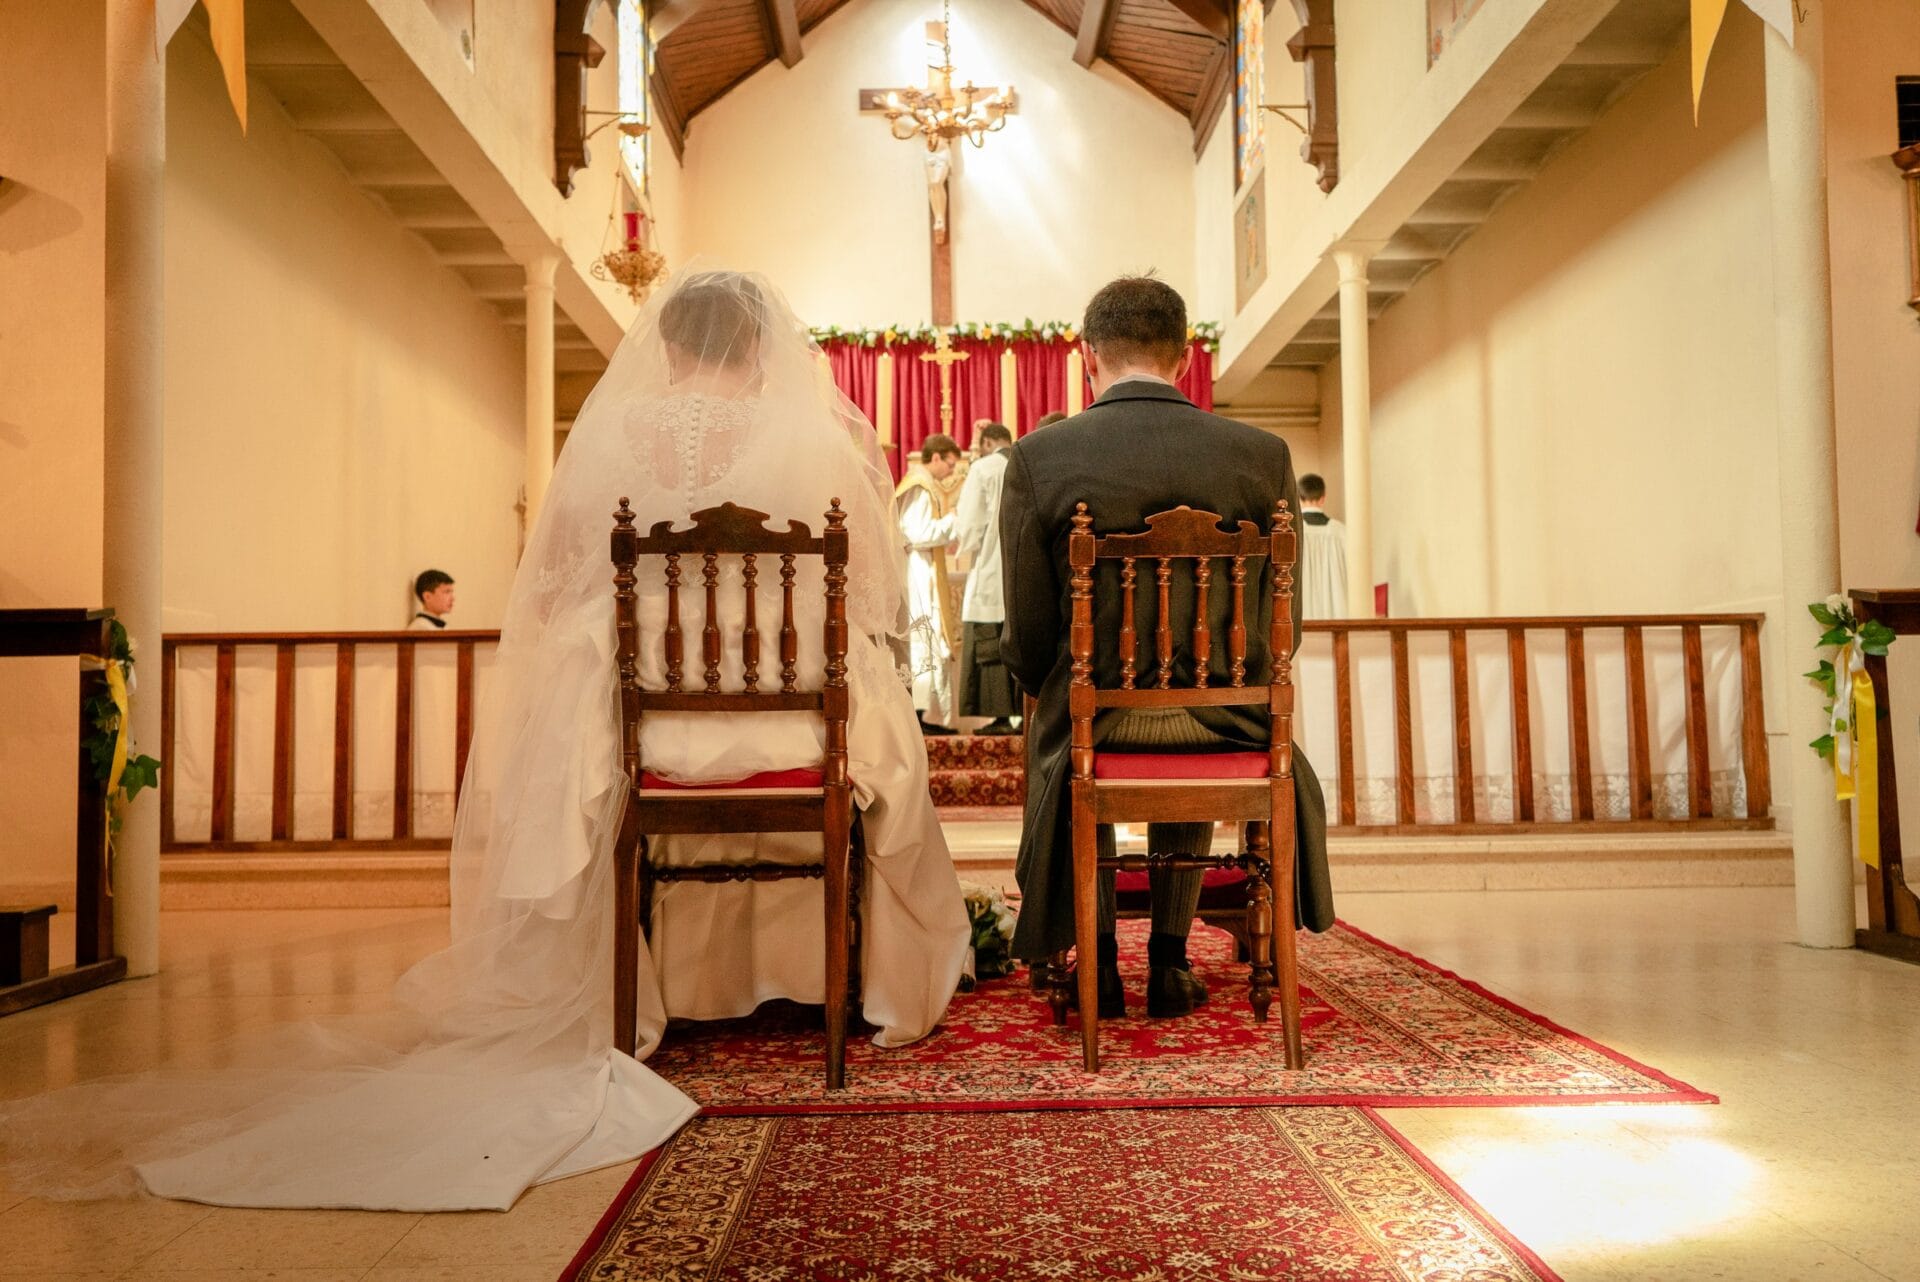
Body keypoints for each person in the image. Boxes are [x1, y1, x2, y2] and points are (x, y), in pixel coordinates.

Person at [0, 271, 969, 1213]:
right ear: (762, 346)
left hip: (643, 733)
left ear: (666, 346)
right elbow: (875, 596)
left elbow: (547, 585)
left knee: (586, 716)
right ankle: (868, 989)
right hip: (796, 718)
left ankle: (636, 1001)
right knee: (880, 740)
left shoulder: (617, 435)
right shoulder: (820, 440)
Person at [998, 275, 1334, 1020]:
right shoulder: (1261, 455)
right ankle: (1172, 960)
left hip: (1097, 720)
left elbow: (1025, 632)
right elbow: (1292, 623)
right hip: (1234, 722)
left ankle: (1097, 965)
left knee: (1059, 722)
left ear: (1089, 356)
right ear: (1184, 359)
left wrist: (1056, 685)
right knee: (1193, 697)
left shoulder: (1039, 458)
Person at [896, 434, 964, 734]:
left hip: (921, 568)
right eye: (949, 464)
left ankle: (928, 717)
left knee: (928, 640)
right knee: (923, 639)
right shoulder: (920, 487)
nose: (950, 471)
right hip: (917, 571)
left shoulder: (920, 483)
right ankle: (921, 717)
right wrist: (954, 521)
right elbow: (916, 531)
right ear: (935, 457)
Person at [955, 421, 1017, 733]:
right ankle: (1023, 714)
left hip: (991, 568)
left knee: (989, 640)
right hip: (1021, 571)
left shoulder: (984, 468)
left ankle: (1000, 716)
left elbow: (968, 525)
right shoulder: (1024, 461)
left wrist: (964, 544)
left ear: (988, 443)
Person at [1296, 474, 1349, 620]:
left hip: (1303, 612)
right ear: (1323, 498)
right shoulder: (1341, 532)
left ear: (1298, 498)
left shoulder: (1294, 532)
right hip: (1337, 611)